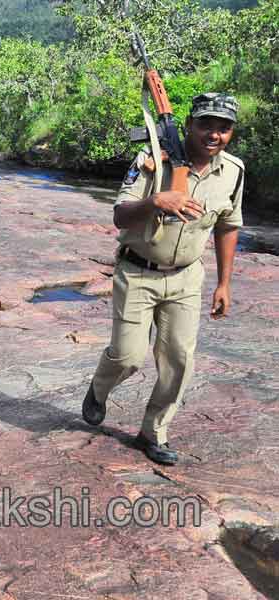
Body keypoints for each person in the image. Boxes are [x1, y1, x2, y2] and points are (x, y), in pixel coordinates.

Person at [82, 92, 244, 466]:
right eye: (206, 124)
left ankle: (153, 432)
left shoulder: (233, 171)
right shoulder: (152, 160)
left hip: (187, 279)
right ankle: (100, 388)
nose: (214, 134)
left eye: (224, 128)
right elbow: (121, 216)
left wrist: (224, 284)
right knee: (128, 356)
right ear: (190, 124)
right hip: (138, 271)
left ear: (231, 133)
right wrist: (157, 201)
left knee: (178, 360)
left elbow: (228, 226)